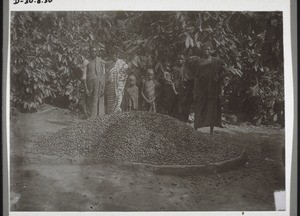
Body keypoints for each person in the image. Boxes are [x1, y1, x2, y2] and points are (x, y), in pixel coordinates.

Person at [188, 42, 227, 134]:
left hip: (211, 88)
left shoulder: (216, 61)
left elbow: (227, 71)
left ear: (211, 50)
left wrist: (217, 78)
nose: (206, 51)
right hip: (201, 88)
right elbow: (196, 77)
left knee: (211, 107)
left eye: (208, 49)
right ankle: (196, 127)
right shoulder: (199, 62)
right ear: (202, 50)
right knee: (199, 106)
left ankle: (211, 130)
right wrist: (195, 90)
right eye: (205, 49)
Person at [82, 47, 106, 118]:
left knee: (98, 101)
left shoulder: (100, 61)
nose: (93, 53)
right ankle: (90, 118)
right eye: (92, 51)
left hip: (99, 85)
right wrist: (86, 88)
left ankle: (97, 119)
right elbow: (84, 76)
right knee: (90, 102)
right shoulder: (86, 62)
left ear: (97, 52)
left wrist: (103, 86)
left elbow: (103, 75)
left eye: (95, 51)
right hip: (90, 85)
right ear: (90, 52)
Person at [105, 49, 129, 114]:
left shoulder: (122, 62)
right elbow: (106, 74)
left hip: (120, 84)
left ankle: (117, 113)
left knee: (119, 98)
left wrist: (121, 76)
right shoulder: (108, 63)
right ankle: (111, 114)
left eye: (115, 56)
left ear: (117, 55)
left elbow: (126, 70)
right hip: (111, 85)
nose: (114, 57)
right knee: (111, 100)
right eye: (112, 56)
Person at [173, 54, 194, 122]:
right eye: (179, 59)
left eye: (181, 59)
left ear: (184, 60)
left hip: (185, 92)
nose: (180, 60)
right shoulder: (174, 69)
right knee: (176, 106)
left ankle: (184, 120)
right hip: (175, 91)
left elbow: (189, 82)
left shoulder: (187, 70)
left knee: (184, 107)